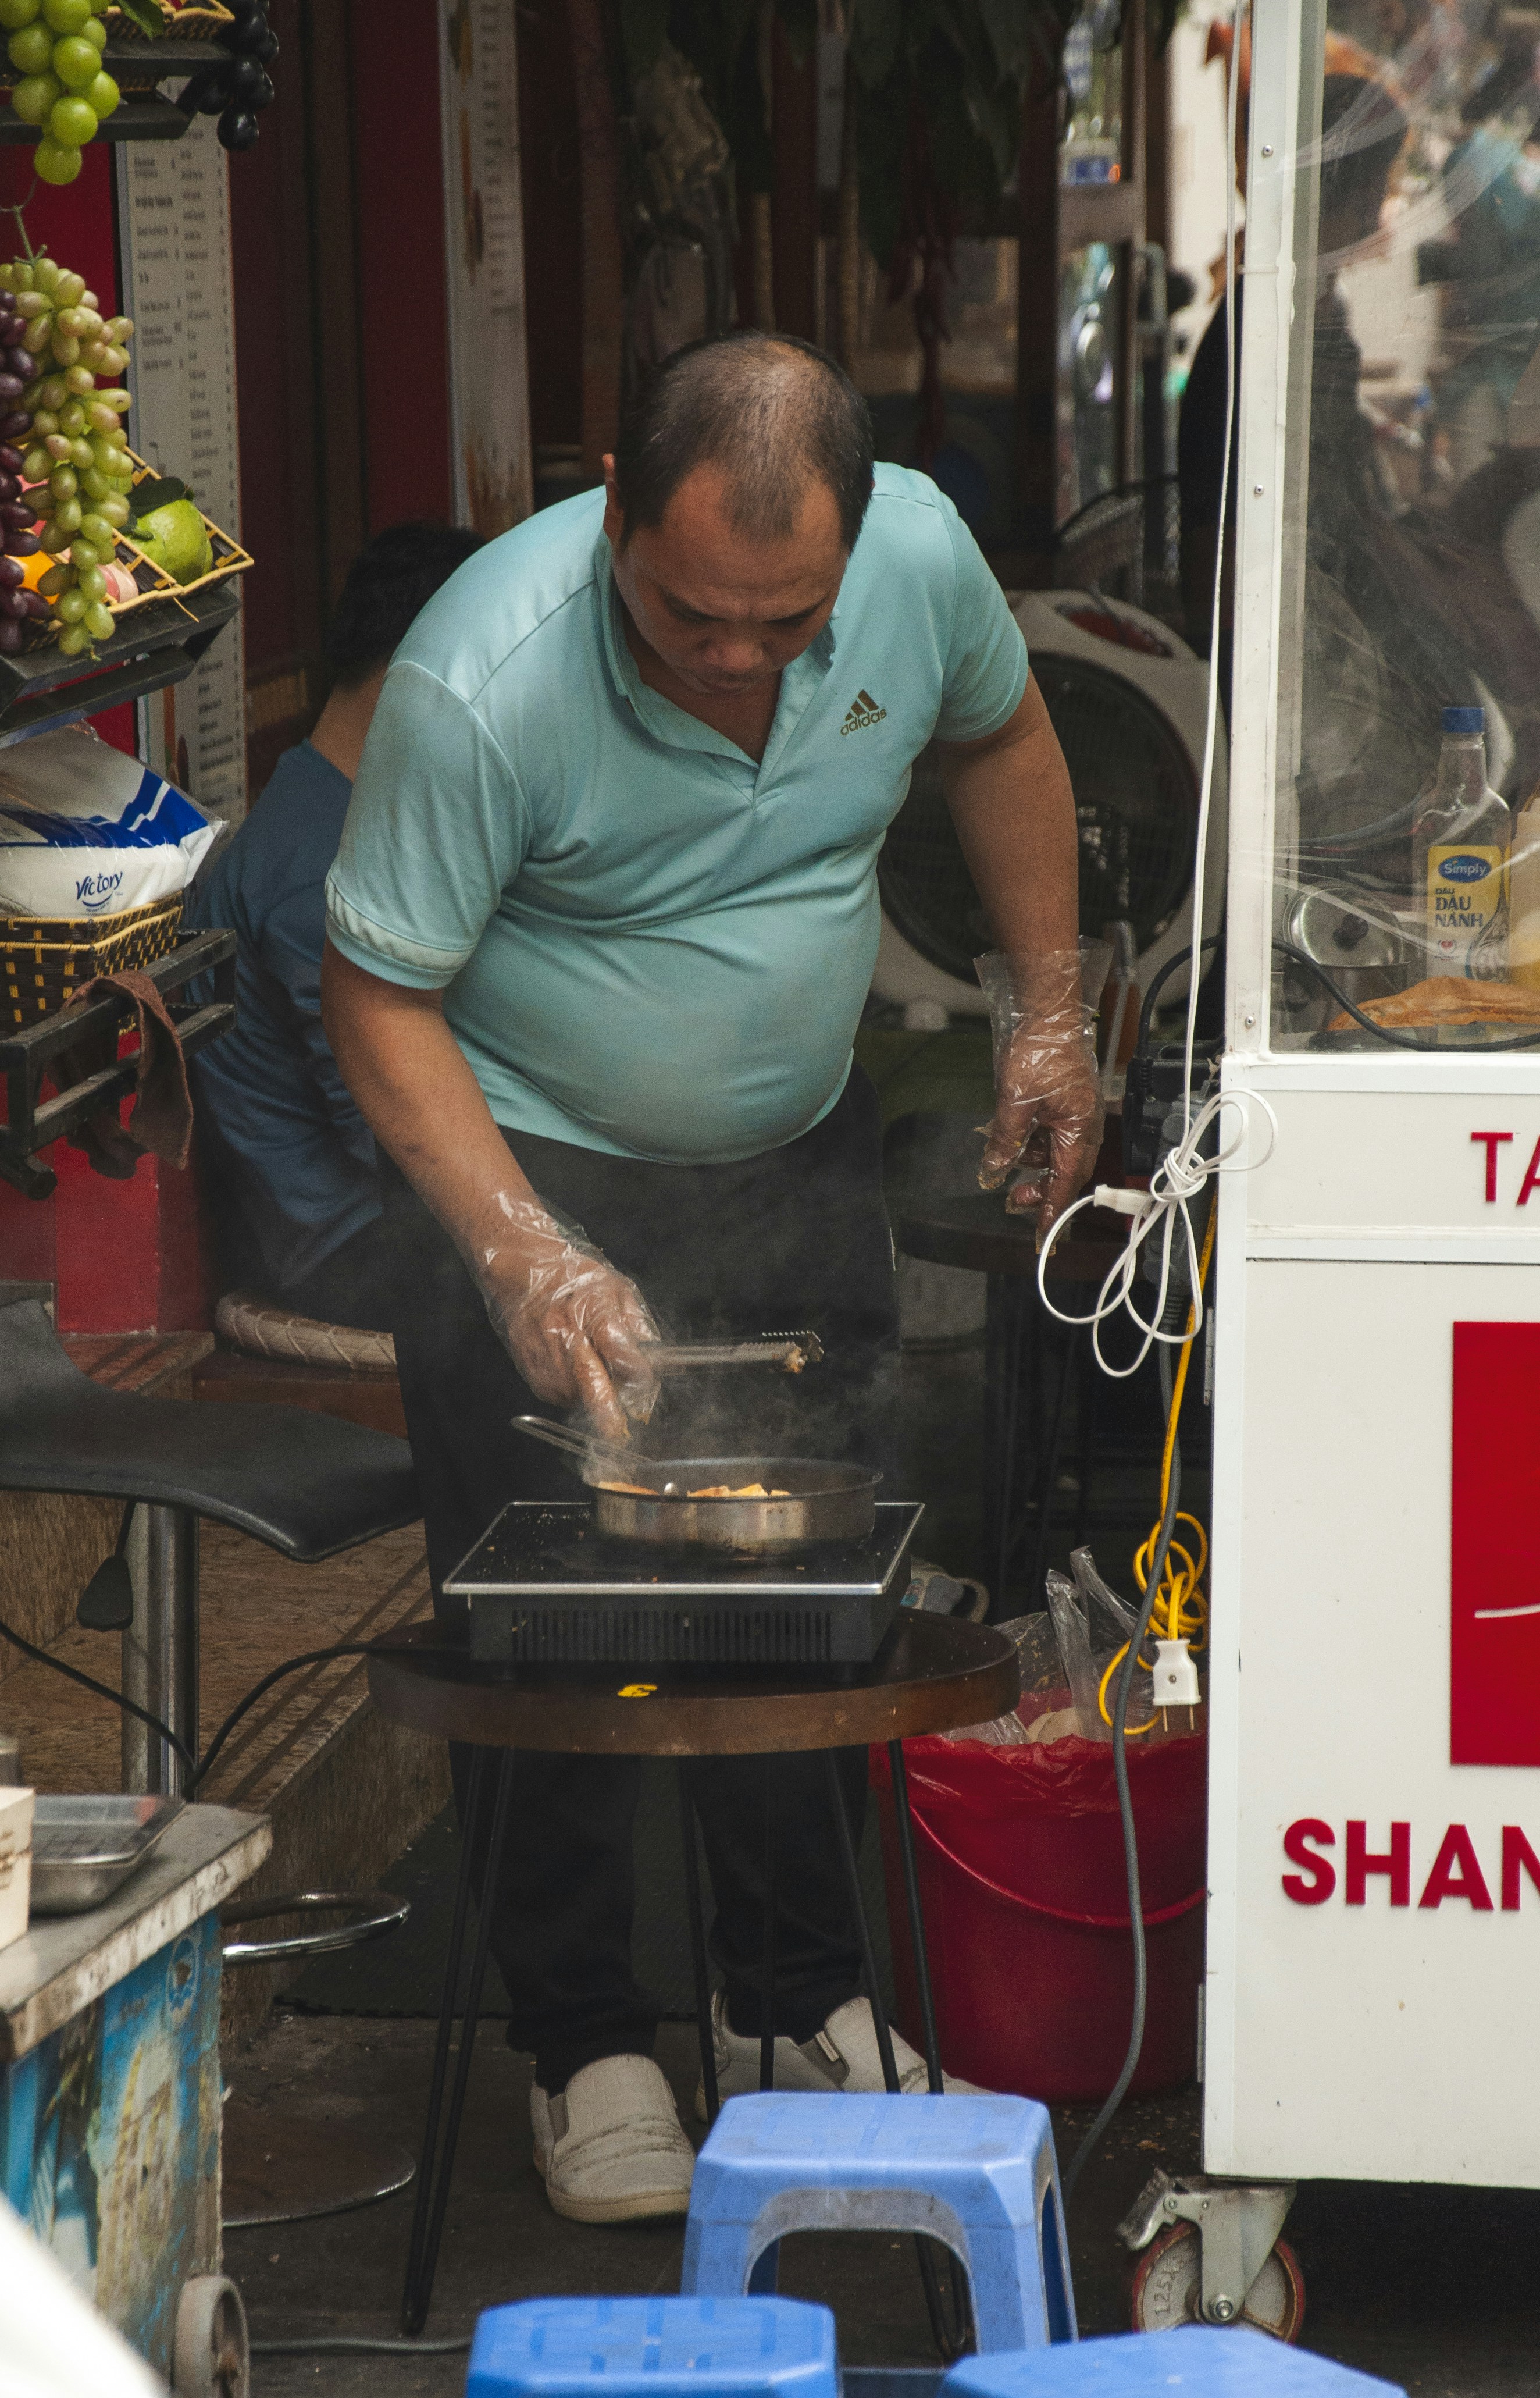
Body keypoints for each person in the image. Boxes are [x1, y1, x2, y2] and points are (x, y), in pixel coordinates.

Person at [320, 333, 1099, 2224]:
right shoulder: (481, 676)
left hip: (794, 1155)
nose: (738, 659)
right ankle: (582, 2045)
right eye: (689, 615)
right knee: (550, 1623)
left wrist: (1048, 1010)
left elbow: (998, 741)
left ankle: (795, 2005)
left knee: (808, 1594)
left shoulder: (917, 561)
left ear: (857, 543)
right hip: (530, 1175)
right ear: (610, 506)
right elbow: (378, 991)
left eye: (784, 621)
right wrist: (523, 1252)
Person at [188, 522, 484, 1330]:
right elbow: (393, 1138)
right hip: (348, 1246)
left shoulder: (334, 802)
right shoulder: (315, 864)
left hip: (387, 1211)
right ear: (422, 670)